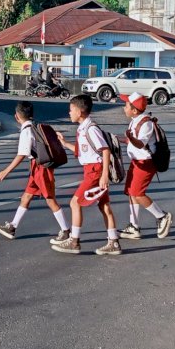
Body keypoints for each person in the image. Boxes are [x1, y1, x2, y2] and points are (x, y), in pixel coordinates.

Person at [50, 94, 120, 255]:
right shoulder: (83, 128)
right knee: (104, 206)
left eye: (71, 110)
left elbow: (105, 150)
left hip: (95, 172)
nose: (69, 113)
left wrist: (103, 176)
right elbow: (82, 151)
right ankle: (113, 242)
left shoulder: (91, 129)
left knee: (75, 203)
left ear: (80, 111)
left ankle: (74, 241)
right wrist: (65, 143)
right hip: (92, 170)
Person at [0, 101, 70, 241]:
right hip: (37, 167)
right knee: (26, 197)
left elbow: (21, 154)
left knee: (50, 199)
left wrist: (6, 171)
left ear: (16, 116)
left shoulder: (27, 131)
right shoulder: (35, 126)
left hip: (41, 169)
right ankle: (12, 227)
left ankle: (66, 231)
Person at [117, 92, 172, 241]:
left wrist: (130, 138)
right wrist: (119, 139)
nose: (124, 107)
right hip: (136, 162)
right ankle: (134, 226)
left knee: (138, 193)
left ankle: (162, 216)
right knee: (131, 192)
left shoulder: (146, 123)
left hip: (145, 163)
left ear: (134, 110)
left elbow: (141, 143)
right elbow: (133, 141)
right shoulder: (135, 120)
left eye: (126, 105)